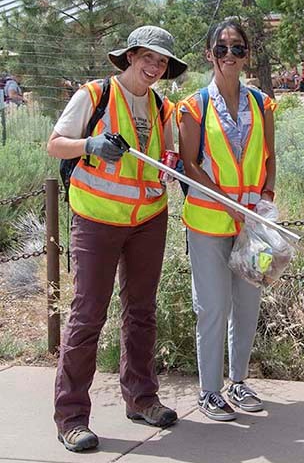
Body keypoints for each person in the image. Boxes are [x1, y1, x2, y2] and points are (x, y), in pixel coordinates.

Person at [47, 26, 187, 452]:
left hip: (148, 218)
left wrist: (172, 162)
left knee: (141, 311)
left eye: (161, 62)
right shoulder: (94, 96)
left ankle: (142, 398)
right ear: (129, 56)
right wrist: (90, 144)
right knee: (87, 315)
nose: (153, 67)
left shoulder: (163, 108)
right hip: (96, 218)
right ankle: (71, 417)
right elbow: (55, 145)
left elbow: (171, 155)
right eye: (147, 57)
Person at [178, 18, 277, 422]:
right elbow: (188, 164)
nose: (230, 55)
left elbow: (270, 159)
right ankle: (209, 390)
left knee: (248, 305)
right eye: (222, 48)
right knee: (213, 307)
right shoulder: (193, 106)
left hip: (252, 226)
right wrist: (226, 202)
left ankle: (238, 381)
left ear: (247, 54)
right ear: (209, 54)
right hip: (207, 224)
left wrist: (265, 203)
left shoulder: (262, 104)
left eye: (238, 48)